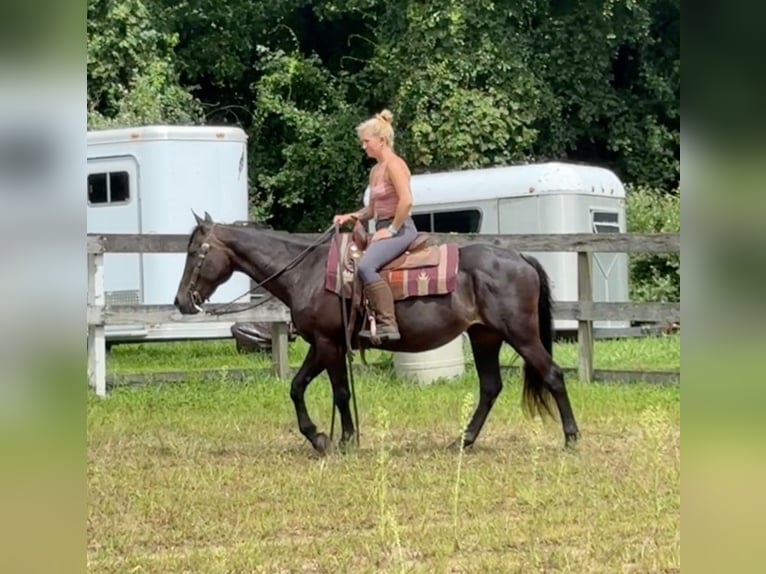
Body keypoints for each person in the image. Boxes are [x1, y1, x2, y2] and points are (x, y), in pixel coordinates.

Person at [333, 109, 418, 342]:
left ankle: (388, 324)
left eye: (366, 141)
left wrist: (390, 230)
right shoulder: (375, 171)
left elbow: (406, 200)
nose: (364, 146)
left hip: (400, 228)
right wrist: (350, 216)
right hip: (383, 225)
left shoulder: (394, 165)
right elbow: (370, 211)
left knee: (366, 266)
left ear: (381, 140)